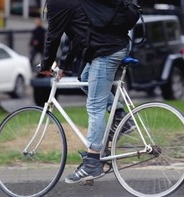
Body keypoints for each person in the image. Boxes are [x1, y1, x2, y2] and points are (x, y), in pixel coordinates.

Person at [39, 0, 135, 184]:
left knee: (95, 105)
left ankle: (92, 162)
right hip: (112, 46)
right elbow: (77, 37)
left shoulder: (57, 3)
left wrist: (45, 65)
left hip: (107, 51)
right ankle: (121, 116)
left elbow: (53, 36)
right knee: (85, 80)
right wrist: (64, 66)